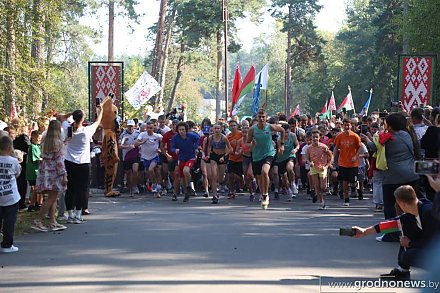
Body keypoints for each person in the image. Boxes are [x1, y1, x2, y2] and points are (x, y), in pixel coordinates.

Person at [352, 185, 440, 280]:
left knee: (407, 256)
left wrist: (410, 243)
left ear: (401, 203)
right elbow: (391, 224)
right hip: (431, 246)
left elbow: (432, 243)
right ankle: (402, 271)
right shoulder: (413, 211)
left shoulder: (428, 213)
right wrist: (365, 231)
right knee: (405, 227)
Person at [64, 98, 105, 224]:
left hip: (69, 161)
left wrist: (72, 113)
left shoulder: (68, 129)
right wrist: (101, 110)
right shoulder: (86, 131)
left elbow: (61, 118)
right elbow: (98, 121)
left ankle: (70, 213)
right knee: (82, 188)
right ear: (82, 119)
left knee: (70, 188)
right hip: (83, 163)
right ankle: (78, 214)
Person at [31, 120, 68, 232]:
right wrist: (64, 175)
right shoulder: (58, 143)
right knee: (52, 198)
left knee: (52, 197)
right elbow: (59, 161)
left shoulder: (45, 141)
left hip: (45, 171)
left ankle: (53, 221)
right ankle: (39, 220)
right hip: (55, 173)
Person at [246, 108, 285, 208]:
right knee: (259, 178)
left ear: (266, 117)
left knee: (265, 172)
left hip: (269, 153)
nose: (262, 119)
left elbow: (282, 130)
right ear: (257, 117)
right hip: (256, 155)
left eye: (263, 117)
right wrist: (252, 145)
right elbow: (247, 143)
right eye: (260, 117)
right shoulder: (252, 129)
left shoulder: (270, 127)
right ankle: (263, 192)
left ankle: (265, 195)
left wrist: (282, 145)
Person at [333, 118, 362, 207]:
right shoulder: (339, 136)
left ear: (351, 126)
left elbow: (360, 147)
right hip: (343, 162)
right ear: (343, 126)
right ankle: (346, 199)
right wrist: (332, 158)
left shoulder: (355, 136)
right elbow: (335, 147)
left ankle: (356, 190)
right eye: (345, 125)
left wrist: (355, 156)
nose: (347, 127)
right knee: (344, 181)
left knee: (353, 181)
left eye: (348, 125)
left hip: (353, 163)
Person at [0, 136, 21, 253]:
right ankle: (7, 245)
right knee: (9, 221)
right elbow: (17, 173)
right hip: (11, 196)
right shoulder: (13, 161)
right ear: (9, 148)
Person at [171, 122, 200, 202]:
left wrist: (196, 147)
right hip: (181, 158)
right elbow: (172, 148)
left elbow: (198, 138)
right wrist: (175, 150)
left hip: (190, 157)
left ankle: (188, 186)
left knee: (186, 171)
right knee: (181, 177)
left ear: (186, 130)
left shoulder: (191, 135)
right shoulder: (175, 138)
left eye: (183, 129)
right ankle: (186, 192)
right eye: (180, 130)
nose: (181, 131)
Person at [306, 130, 333, 209]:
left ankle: (324, 200)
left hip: (322, 168)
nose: (315, 139)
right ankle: (321, 202)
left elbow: (330, 156)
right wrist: (310, 162)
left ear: (319, 138)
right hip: (314, 168)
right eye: (313, 137)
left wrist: (327, 166)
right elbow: (307, 158)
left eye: (316, 137)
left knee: (323, 186)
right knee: (316, 186)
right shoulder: (309, 148)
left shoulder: (323, 147)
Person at [135, 121, 163, 198]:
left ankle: (157, 188)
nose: (149, 129)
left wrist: (160, 150)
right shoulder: (142, 135)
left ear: (153, 128)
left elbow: (164, 142)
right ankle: (155, 185)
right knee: (149, 173)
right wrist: (143, 142)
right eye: (147, 128)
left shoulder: (157, 136)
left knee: (152, 170)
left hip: (154, 156)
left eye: (151, 128)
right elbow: (135, 144)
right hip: (145, 157)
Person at [207, 123, 232, 204]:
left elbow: (230, 149)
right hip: (214, 156)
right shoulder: (211, 138)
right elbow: (209, 146)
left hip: (222, 157)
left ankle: (220, 184)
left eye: (218, 128)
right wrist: (208, 154)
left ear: (221, 129)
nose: (216, 130)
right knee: (213, 176)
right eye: (215, 128)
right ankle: (214, 195)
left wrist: (224, 156)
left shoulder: (224, 138)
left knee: (220, 178)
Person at [276, 123, 299, 200]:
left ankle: (293, 183)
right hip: (281, 158)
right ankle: (289, 190)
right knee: (284, 177)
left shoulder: (293, 136)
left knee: (289, 168)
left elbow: (297, 145)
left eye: (287, 132)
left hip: (290, 155)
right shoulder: (279, 139)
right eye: (284, 132)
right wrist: (279, 150)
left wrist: (295, 149)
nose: (286, 134)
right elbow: (279, 150)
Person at [118, 119, 140, 195]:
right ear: (127, 126)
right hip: (126, 156)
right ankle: (130, 188)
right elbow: (119, 146)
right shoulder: (123, 134)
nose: (130, 128)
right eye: (129, 126)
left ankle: (134, 186)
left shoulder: (138, 133)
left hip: (135, 154)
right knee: (128, 173)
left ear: (134, 126)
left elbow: (141, 141)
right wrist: (128, 146)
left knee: (135, 170)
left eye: (132, 126)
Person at [25, 130, 42, 212]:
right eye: (37, 138)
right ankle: (32, 204)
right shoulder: (32, 147)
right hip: (33, 171)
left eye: (40, 138)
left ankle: (37, 203)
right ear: (32, 137)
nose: (39, 139)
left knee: (37, 187)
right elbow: (36, 159)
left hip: (37, 171)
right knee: (36, 187)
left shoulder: (38, 146)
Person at [226, 120, 242, 200]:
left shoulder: (241, 134)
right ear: (229, 127)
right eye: (231, 125)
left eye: (234, 125)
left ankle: (242, 183)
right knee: (230, 175)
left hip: (241, 158)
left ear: (237, 126)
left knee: (239, 177)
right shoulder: (228, 137)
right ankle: (231, 191)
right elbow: (227, 147)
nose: (232, 127)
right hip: (232, 158)